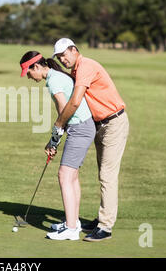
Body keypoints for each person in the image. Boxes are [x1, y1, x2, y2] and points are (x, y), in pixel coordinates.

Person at [47, 38, 129, 242]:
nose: (63, 59)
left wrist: (58, 125)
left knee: (107, 175)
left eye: (65, 54)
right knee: (102, 173)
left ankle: (106, 226)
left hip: (113, 122)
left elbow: (75, 102)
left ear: (74, 50)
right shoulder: (76, 70)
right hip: (99, 125)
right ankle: (100, 219)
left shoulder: (86, 66)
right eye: (59, 57)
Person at [19, 51, 96, 241]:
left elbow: (64, 112)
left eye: (29, 73)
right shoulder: (56, 76)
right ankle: (74, 222)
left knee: (64, 175)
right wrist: (56, 138)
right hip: (82, 127)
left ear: (36, 67)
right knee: (72, 176)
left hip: (80, 128)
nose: (29, 77)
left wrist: (54, 140)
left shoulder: (53, 81)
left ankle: (70, 229)